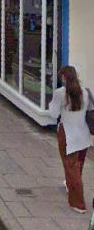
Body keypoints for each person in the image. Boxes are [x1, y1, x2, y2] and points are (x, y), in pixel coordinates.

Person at [49, 65, 91, 214]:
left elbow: (53, 114)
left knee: (72, 169)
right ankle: (69, 185)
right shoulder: (85, 92)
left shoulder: (60, 93)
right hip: (84, 135)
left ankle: (78, 204)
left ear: (64, 78)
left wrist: (51, 105)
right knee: (76, 166)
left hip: (68, 135)